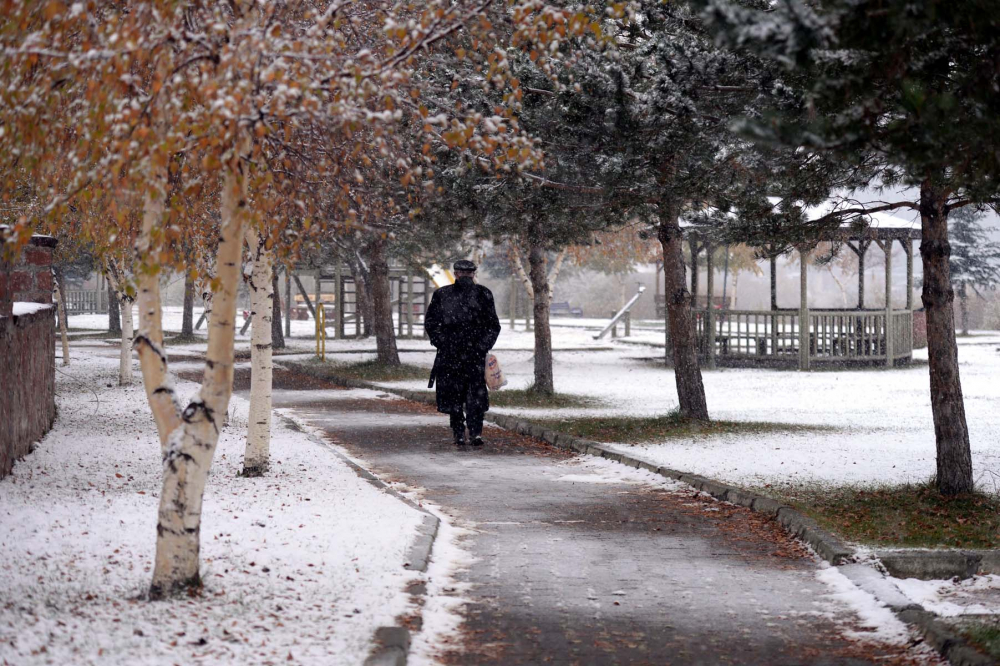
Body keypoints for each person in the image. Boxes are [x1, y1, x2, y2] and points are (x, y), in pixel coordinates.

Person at [425, 259, 501, 447]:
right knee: (453, 397)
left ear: (474, 274)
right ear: (455, 273)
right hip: (450, 355)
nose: (465, 276)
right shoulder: (442, 295)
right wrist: (443, 342)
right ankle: (458, 431)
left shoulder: (483, 294)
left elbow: (493, 325)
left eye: (469, 273)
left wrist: (482, 345)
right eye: (461, 273)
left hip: (475, 356)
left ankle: (476, 432)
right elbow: (432, 323)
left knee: (475, 396)